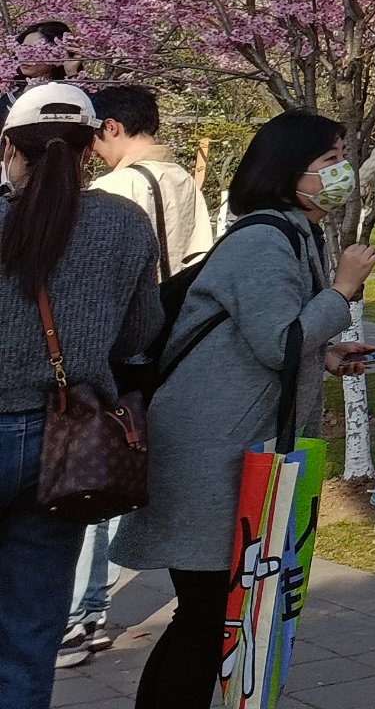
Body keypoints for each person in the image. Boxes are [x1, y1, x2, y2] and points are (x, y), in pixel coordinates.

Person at [124, 111, 375, 709]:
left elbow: (272, 339)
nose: (342, 171)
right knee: (207, 616)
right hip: (208, 453)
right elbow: (279, 342)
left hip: (232, 446)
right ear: (289, 173)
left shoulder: (296, 232)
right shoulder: (266, 238)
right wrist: (341, 293)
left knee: (207, 617)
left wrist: (331, 354)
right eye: (328, 161)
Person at [0, 86, 160, 702]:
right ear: (92, 146)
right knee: (31, 630)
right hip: (64, 439)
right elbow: (142, 330)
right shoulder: (124, 223)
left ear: (11, 146)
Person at [61, 82, 212, 667]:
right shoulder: (184, 182)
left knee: (92, 470)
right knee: (128, 462)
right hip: (172, 346)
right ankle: (90, 609)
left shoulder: (112, 189)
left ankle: (79, 617)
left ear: (112, 128)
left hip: (125, 345)